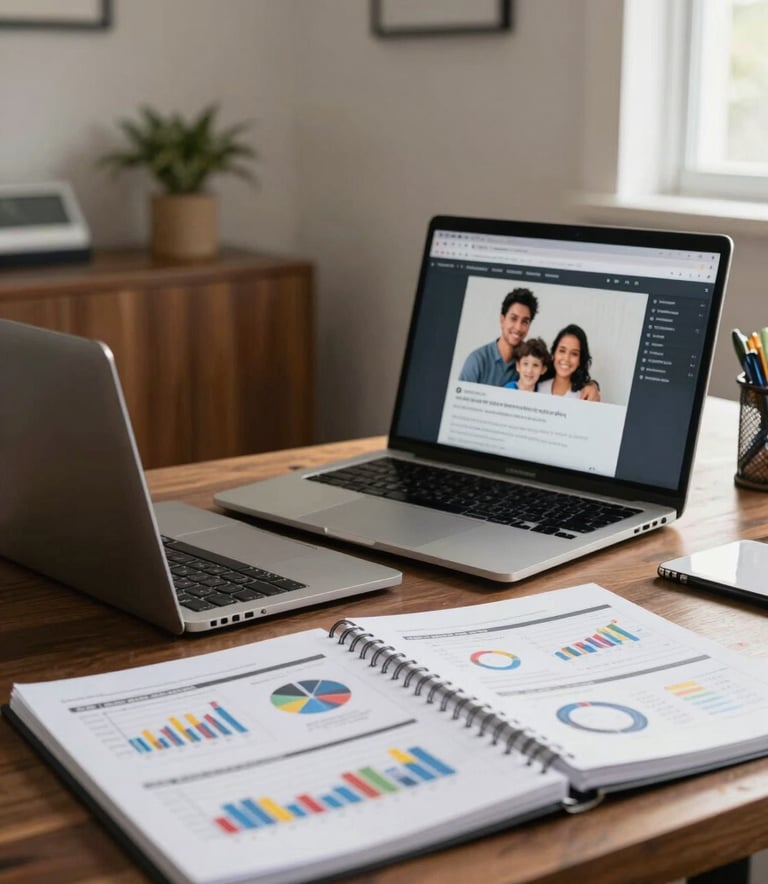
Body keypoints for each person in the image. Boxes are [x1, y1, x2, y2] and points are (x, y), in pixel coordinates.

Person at [459, 289, 600, 400]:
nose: (518, 327)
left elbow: (563, 369)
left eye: (525, 321)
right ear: (502, 320)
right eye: (513, 318)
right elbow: (458, 403)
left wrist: (592, 386)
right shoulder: (477, 360)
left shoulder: (531, 356)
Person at [537, 324, 594, 399]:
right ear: (553, 354)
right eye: (562, 351)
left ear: (580, 360)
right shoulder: (538, 386)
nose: (566, 358)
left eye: (574, 354)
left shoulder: (584, 396)